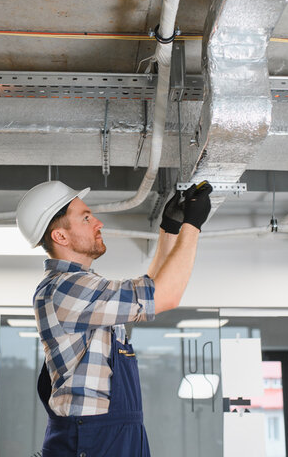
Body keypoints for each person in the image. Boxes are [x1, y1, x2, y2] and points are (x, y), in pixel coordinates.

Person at [16, 180, 213, 457]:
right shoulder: (66, 288)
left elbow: (150, 290)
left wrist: (170, 228)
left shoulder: (83, 286)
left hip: (109, 434)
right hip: (92, 439)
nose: (98, 223)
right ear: (61, 236)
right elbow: (164, 295)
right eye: (86, 218)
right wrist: (193, 226)